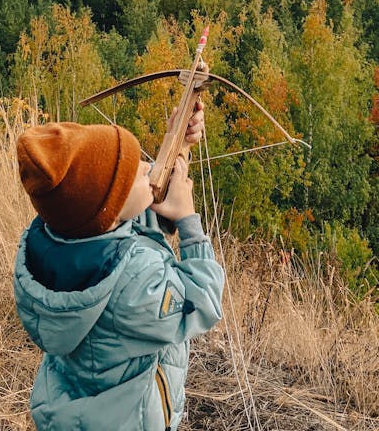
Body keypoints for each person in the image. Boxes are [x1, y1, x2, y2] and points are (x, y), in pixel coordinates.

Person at [13, 101, 224, 430]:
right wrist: (188, 222)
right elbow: (203, 302)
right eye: (132, 173)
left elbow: (135, 214)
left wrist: (177, 141)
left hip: (76, 415)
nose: (145, 168)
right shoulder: (134, 281)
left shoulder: (63, 237)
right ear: (108, 209)